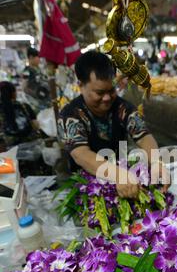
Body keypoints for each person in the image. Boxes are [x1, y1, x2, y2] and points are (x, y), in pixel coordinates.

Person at [58, 51, 170, 199]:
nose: (106, 98)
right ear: (81, 85)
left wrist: (156, 161)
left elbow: (143, 136)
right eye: (99, 92)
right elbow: (81, 154)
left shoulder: (123, 108)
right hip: (87, 189)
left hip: (123, 183)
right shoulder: (70, 115)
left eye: (111, 90)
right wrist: (117, 174)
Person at [0, 81, 40, 147]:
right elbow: (35, 123)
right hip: (33, 145)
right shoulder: (24, 106)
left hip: (12, 151)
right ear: (13, 93)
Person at [22, 47, 51, 111]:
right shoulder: (26, 71)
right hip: (36, 104)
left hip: (45, 101)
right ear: (31, 57)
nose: (39, 59)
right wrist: (36, 93)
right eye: (37, 57)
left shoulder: (38, 69)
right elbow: (24, 87)